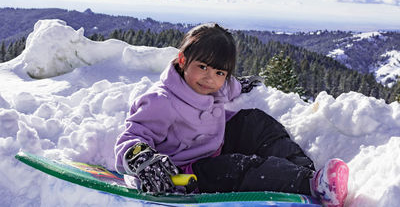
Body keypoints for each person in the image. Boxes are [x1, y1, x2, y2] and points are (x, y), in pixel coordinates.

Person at [114, 23, 349, 207]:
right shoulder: (161, 101)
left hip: (215, 143)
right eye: (203, 67)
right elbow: (131, 137)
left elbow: (231, 86)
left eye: (219, 72)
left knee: (255, 121)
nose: (210, 78)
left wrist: (243, 85)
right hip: (187, 171)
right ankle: (307, 184)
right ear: (183, 60)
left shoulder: (218, 84)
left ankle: (304, 171)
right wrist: (143, 159)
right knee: (242, 168)